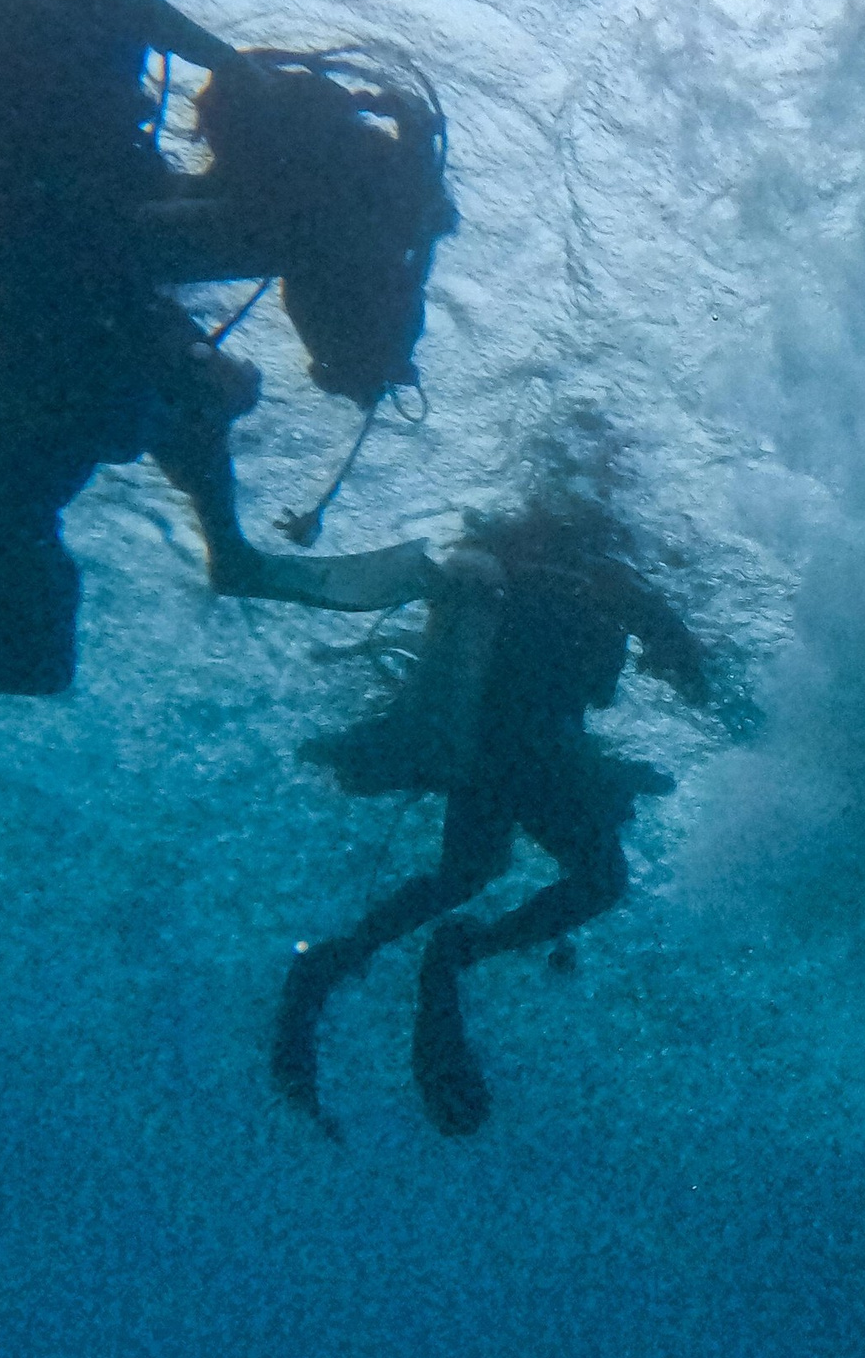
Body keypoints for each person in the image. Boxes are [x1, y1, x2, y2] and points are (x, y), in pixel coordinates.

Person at [0, 0, 451, 840]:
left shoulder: (132, 341)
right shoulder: (86, 24)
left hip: (59, 304)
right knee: (38, 639)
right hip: (51, 336)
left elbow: (166, 218)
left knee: (38, 636)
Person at [271, 482, 715, 1137]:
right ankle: (454, 953)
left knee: (468, 869)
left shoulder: (520, 577)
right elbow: (679, 672)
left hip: (483, 749)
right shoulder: (607, 579)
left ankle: (338, 960)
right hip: (530, 750)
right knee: (596, 879)